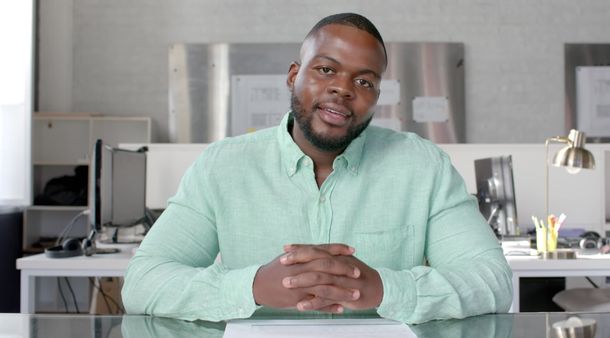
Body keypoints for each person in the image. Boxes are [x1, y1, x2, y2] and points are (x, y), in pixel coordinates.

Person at [122, 12, 512, 324]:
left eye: (364, 80)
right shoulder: (222, 166)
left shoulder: (423, 166)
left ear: (376, 97)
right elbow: (143, 283)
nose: (344, 88)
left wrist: (385, 289)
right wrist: (252, 287)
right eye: (326, 69)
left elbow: (492, 281)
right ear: (295, 76)